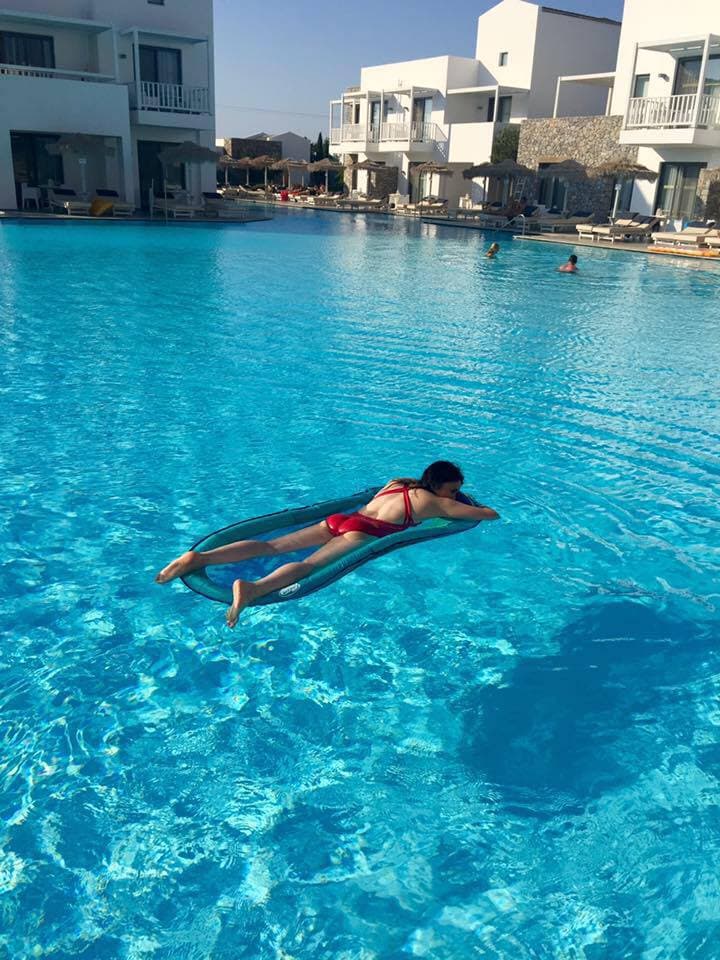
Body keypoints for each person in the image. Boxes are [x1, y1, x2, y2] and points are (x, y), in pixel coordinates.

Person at [155, 461, 499, 628]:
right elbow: (487, 514)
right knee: (308, 566)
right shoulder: (435, 503)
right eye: (452, 489)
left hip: (339, 520)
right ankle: (252, 589)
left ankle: (200, 557)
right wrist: (463, 503)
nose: (453, 495)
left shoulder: (397, 482)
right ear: (439, 487)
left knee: (273, 546)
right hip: (364, 532)